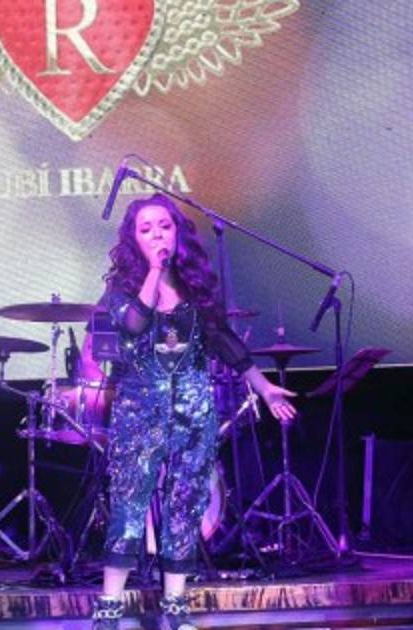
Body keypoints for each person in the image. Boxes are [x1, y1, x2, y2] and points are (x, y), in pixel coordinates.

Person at [91, 193, 297, 630]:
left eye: (164, 226)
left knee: (184, 506)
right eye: (146, 229)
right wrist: (154, 271)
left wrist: (263, 387)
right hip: (139, 413)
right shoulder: (120, 290)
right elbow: (134, 325)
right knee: (129, 506)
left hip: (193, 412)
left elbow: (225, 342)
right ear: (133, 239)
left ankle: (175, 608)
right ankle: (108, 611)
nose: (156, 235)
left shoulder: (195, 289)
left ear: (177, 233)